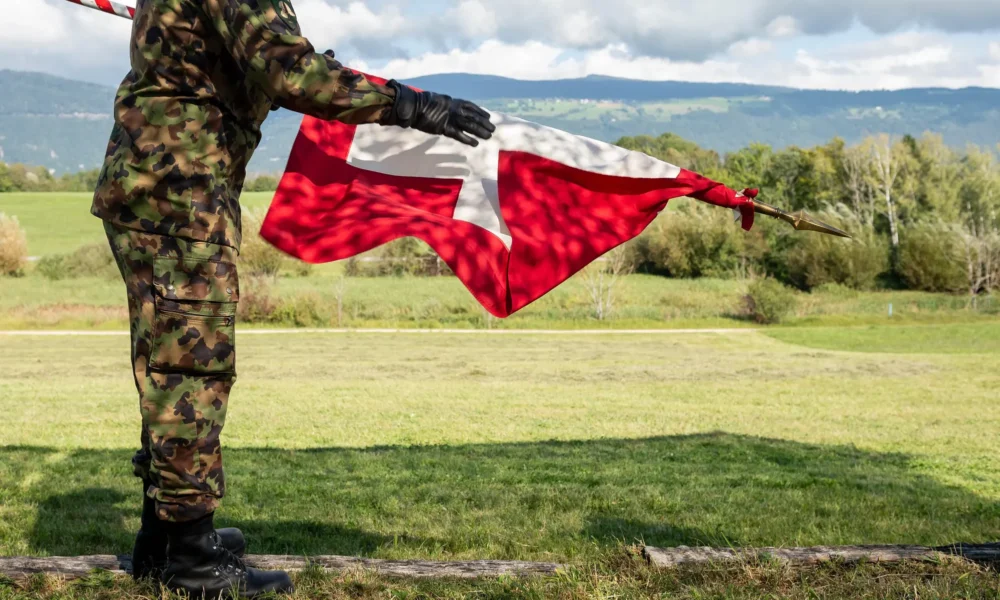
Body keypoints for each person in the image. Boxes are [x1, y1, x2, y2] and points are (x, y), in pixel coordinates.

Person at [92, 0, 495, 597]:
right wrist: (413, 105)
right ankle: (193, 561)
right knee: (190, 371)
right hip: (179, 192)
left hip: (164, 187)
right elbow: (288, 73)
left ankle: (165, 539)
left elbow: (256, 69)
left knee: (168, 365)